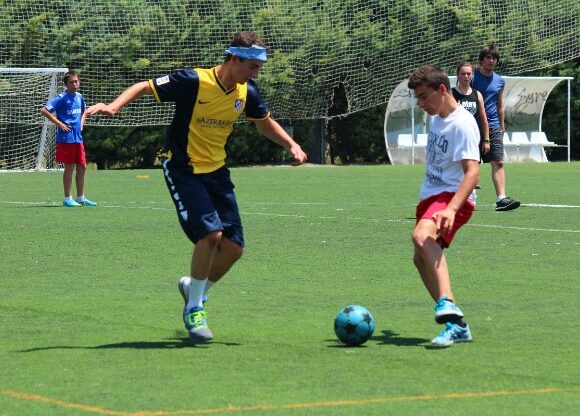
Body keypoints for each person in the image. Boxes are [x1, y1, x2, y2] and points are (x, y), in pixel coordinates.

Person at [86, 31, 307, 342]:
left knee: (233, 248)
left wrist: (292, 145)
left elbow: (264, 122)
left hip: (216, 172)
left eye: (259, 67)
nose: (256, 72)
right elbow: (144, 86)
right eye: (252, 66)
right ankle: (194, 309)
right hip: (182, 167)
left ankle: (194, 288)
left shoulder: (247, 92)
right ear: (234, 58)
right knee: (211, 234)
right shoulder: (194, 81)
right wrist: (113, 106)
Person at [407, 64, 480, 347]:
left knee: (421, 237)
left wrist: (450, 209)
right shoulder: (436, 117)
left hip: (453, 197)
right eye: (418, 99)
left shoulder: (462, 124)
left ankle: (447, 303)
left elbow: (472, 173)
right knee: (419, 258)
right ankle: (456, 325)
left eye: (424, 97)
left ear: (441, 89)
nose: (421, 104)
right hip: (432, 195)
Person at [471, 44, 520, 211]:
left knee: (498, 161)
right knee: (471, 162)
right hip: (472, 126)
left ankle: (501, 199)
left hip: (493, 126)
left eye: (494, 58)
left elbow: (500, 105)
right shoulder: (472, 77)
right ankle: (469, 197)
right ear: (482, 59)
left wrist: (501, 124)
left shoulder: (499, 81)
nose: (491, 61)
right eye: (488, 58)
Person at [41, 71, 97, 207]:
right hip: (66, 138)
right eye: (71, 82)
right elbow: (44, 110)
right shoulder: (61, 98)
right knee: (69, 167)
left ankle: (81, 197)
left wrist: (82, 123)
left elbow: (84, 110)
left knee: (82, 166)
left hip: (78, 137)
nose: (74, 84)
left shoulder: (79, 96)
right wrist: (60, 124)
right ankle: (67, 198)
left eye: (76, 81)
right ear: (66, 84)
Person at [452, 61, 490, 162]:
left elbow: (484, 120)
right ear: (457, 75)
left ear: (472, 75)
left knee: (473, 170)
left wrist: (486, 140)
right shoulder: (451, 94)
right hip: (456, 140)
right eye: (463, 73)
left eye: (469, 74)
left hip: (474, 140)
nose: (466, 76)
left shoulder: (477, 94)